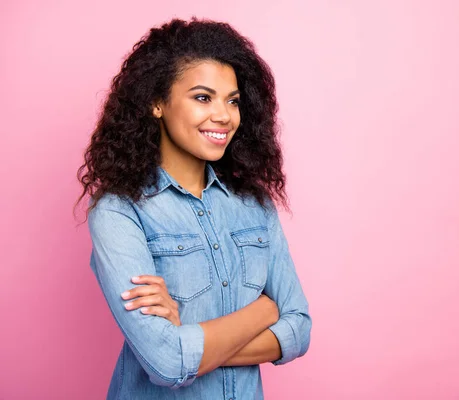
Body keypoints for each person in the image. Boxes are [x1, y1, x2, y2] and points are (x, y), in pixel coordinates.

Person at [75, 17, 311, 399]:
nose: (223, 115)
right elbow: (164, 362)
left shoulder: (254, 204)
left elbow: (299, 329)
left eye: (232, 100)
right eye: (203, 97)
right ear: (156, 102)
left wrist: (188, 336)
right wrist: (264, 312)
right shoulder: (119, 212)